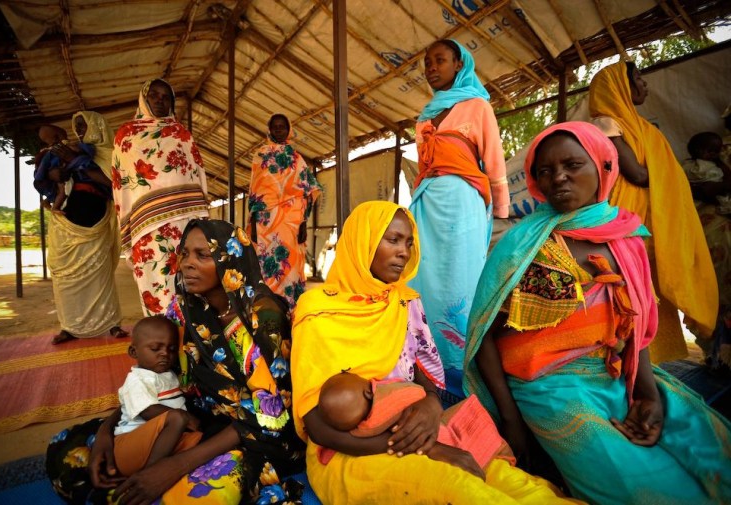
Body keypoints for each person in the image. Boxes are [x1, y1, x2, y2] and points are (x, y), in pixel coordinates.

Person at [463, 122, 731, 505]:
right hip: (547, 386)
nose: (558, 178)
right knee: (641, 485)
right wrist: (510, 420)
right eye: (544, 171)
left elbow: (633, 324)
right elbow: (485, 333)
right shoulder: (524, 244)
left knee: (705, 446)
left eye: (573, 164)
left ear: (604, 167)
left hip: (616, 373)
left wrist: (648, 394)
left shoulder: (625, 237)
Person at [292, 201, 580, 504]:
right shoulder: (318, 311)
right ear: (361, 241)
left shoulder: (404, 302)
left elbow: (422, 374)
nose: (404, 252)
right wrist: (425, 447)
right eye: (393, 240)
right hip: (351, 452)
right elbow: (320, 429)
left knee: (514, 482)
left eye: (408, 242)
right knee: (459, 488)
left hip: (420, 428)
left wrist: (430, 404)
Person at [46, 219, 305, 504]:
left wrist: (174, 466)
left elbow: (271, 418)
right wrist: (108, 431)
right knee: (69, 451)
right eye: (184, 253)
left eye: (202, 255)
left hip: (255, 436)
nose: (187, 264)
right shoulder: (186, 308)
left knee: (197, 495)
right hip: (194, 420)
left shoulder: (264, 319)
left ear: (230, 258)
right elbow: (152, 374)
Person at [589, 61, 718, 363]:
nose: (644, 85)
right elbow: (636, 173)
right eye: (638, 79)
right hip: (626, 215)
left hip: (642, 214)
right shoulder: (606, 122)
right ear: (620, 86)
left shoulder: (638, 125)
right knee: (629, 286)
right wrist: (674, 174)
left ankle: (649, 357)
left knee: (646, 286)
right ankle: (628, 359)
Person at [409, 39, 509, 398]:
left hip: (463, 203)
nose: (431, 67)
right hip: (427, 202)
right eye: (426, 62)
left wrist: (500, 212)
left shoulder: (478, 106)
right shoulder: (423, 117)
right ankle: (427, 368)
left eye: (440, 60)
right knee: (424, 283)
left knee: (461, 284)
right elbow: (423, 167)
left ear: (459, 64)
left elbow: (493, 159)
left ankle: (461, 377)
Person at [112, 78, 209, 317]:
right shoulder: (125, 136)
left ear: (172, 102)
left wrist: (203, 221)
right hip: (147, 227)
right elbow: (120, 183)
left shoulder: (182, 134)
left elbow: (198, 174)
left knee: (189, 280)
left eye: (166, 97)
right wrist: (128, 227)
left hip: (184, 221)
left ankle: (192, 339)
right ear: (144, 98)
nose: (159, 100)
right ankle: (161, 338)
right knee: (156, 285)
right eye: (154, 95)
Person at [41, 112, 126, 344]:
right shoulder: (66, 150)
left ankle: (112, 323)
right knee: (66, 281)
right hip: (66, 223)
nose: (79, 130)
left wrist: (76, 162)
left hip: (97, 220)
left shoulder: (111, 154)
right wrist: (52, 174)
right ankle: (69, 327)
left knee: (102, 279)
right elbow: (46, 182)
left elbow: (115, 186)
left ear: (97, 125)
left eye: (83, 125)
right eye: (76, 126)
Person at [317, 371, 514, 469]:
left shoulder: (404, 304)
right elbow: (413, 393)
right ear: (369, 391)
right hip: (429, 441)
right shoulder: (383, 401)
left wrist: (432, 399)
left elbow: (416, 361)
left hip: (432, 416)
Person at [248, 113, 322, 310]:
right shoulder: (260, 155)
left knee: (289, 265)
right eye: (275, 126)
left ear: (289, 130)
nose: (279, 130)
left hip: (291, 222)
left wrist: (304, 223)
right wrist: (253, 223)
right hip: (266, 221)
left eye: (282, 126)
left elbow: (309, 191)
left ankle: (290, 310)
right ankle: (268, 309)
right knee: (266, 263)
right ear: (269, 129)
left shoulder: (297, 158)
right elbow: (255, 191)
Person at [113, 315, 202, 477]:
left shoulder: (168, 374)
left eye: (172, 349)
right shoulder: (137, 379)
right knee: (177, 418)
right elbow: (147, 411)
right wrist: (187, 418)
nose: (165, 354)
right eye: (155, 348)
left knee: (203, 440)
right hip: (130, 446)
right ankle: (150, 473)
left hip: (159, 443)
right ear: (134, 352)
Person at [681, 131, 731, 374]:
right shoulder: (694, 168)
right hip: (708, 240)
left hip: (718, 243)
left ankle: (720, 355)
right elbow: (710, 190)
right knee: (711, 297)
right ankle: (715, 355)